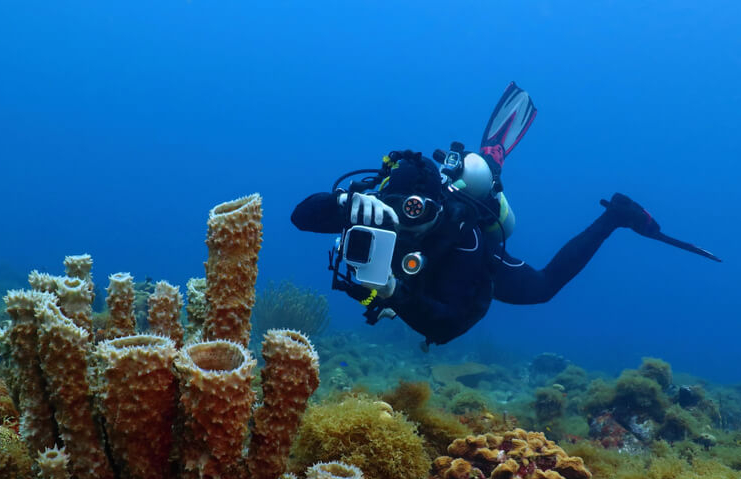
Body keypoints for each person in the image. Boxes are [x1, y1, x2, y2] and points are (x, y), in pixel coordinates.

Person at [291, 83, 718, 349]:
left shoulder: (464, 238)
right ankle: (489, 162)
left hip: (456, 267)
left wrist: (391, 293)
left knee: (543, 288)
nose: (406, 218)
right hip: (409, 281)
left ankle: (613, 217)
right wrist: (344, 203)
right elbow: (300, 217)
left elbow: (447, 326)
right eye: (398, 210)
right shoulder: (371, 213)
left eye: (419, 211)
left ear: (442, 206)